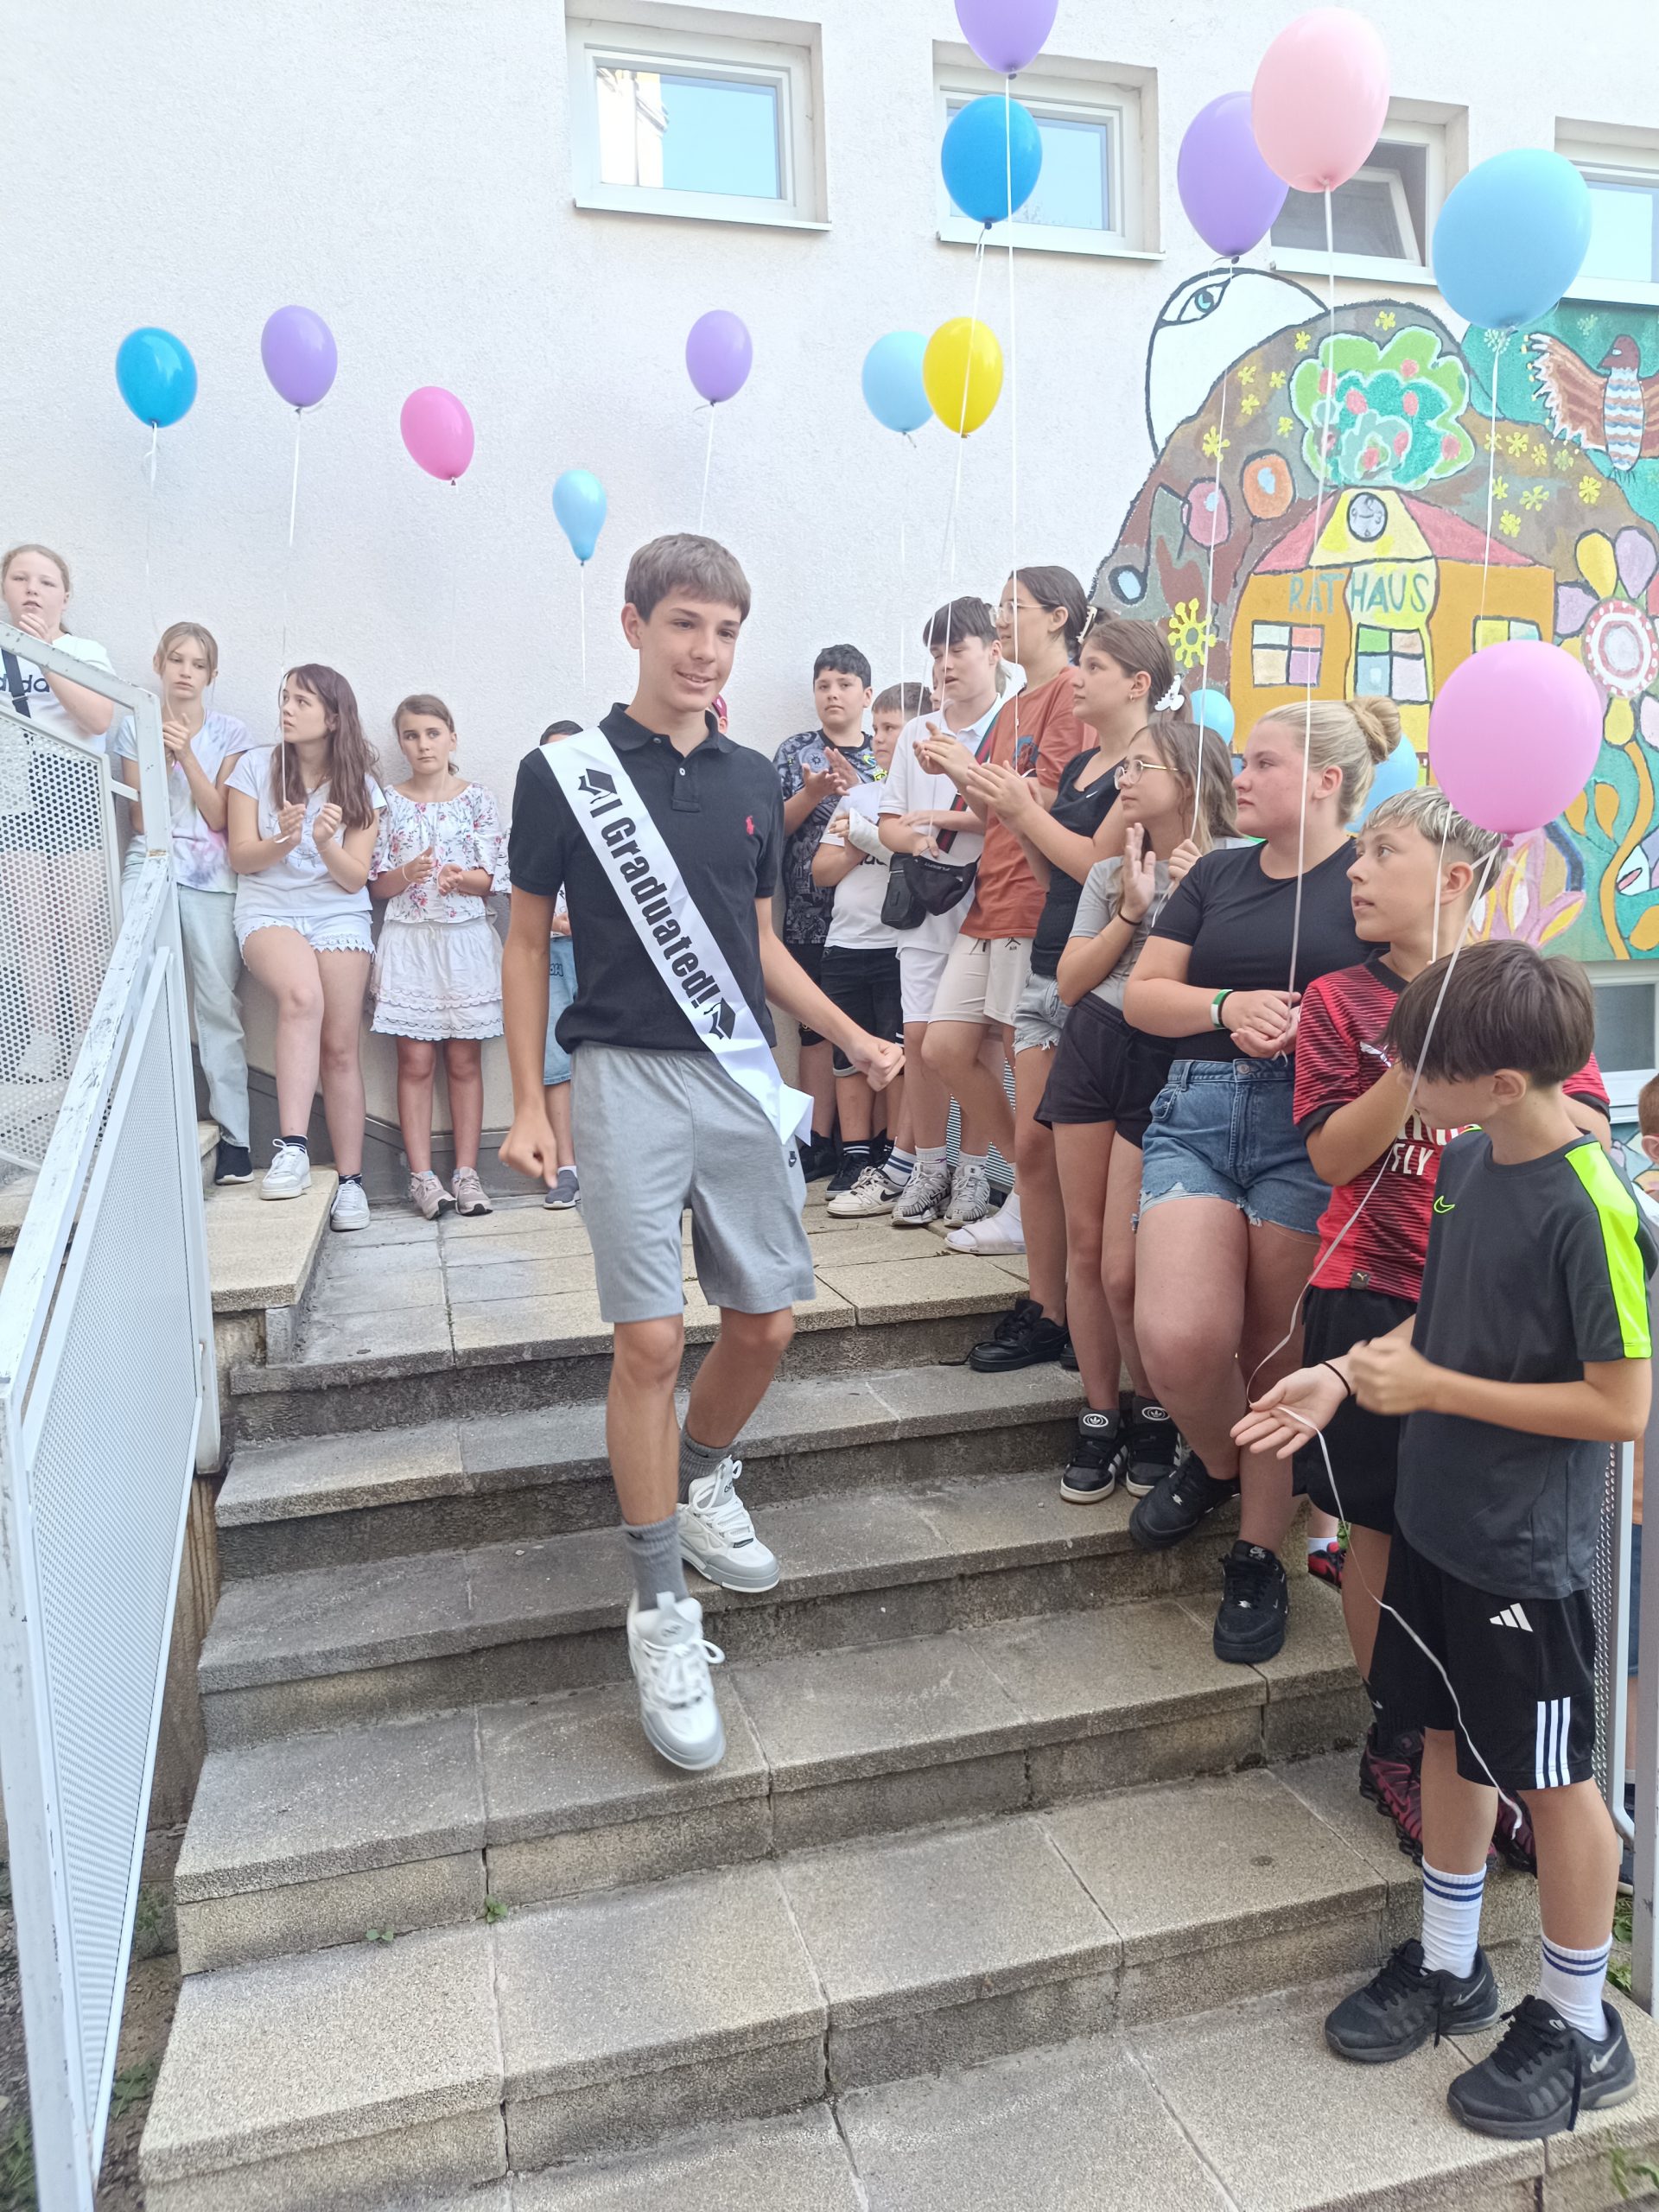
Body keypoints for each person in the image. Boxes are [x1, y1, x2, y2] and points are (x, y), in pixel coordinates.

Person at [499, 534, 903, 1772]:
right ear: (634, 625)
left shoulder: (749, 781)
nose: (706, 651)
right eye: (684, 624)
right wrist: (529, 1103)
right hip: (620, 1072)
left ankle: (699, 1477)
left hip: (736, 1076)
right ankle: (659, 1601)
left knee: (767, 1320)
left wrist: (848, 1037)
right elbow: (526, 943)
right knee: (649, 1341)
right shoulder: (563, 772)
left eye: (726, 631)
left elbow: (758, 943)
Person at [1239, 941, 1651, 2141]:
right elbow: (1441, 1323)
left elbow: (1621, 1405)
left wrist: (1434, 1392)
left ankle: (1579, 2023)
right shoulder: (1468, 1161)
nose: (1406, 1087)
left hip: (1525, 1552)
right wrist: (1338, 1378)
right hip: (1435, 1518)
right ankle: (1450, 1960)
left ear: (1504, 1081)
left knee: (1554, 1782)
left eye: (1425, 1070)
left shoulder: (1593, 1204)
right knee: (1437, 1735)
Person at [1287, 786, 1611, 1864]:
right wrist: (1414, 1055)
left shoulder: (1519, 992)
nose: (1355, 870)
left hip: (1500, 1315)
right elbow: (1332, 1155)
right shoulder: (1339, 997)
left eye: (1383, 851)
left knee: (1473, 1540)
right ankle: (1400, 1730)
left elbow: (1581, 1124)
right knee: (1380, 1524)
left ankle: (1495, 1754)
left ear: (1457, 875)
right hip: (1374, 1294)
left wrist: (1472, 1038)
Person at [1122, 697, 1398, 1663]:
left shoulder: (1368, 875)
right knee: (1176, 1340)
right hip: (1198, 1112)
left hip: (1312, 1129)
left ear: (1326, 780)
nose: (1238, 777)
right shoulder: (1218, 873)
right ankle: (1217, 1460)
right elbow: (1143, 995)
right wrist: (1226, 1005)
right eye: (1243, 760)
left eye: (1263, 763)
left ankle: (1255, 1554)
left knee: (1275, 1356)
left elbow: (1417, 987)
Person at [1046, 710, 1236, 1499]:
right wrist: (1131, 906)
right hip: (1095, 1043)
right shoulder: (1107, 872)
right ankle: (1101, 1413)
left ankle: (1156, 1407)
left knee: (1127, 1268)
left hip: (1172, 1060)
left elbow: (1235, 978)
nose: (1122, 779)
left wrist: (1195, 896)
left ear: (1188, 781)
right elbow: (1068, 983)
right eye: (1122, 767)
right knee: (1086, 1246)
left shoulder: (1233, 867)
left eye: (1139, 767)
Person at [918, 569, 1091, 1287]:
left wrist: (969, 768)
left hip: (1031, 898)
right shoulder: (1015, 702)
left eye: (1012, 608)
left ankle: (1028, 1204)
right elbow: (994, 809)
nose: (1000, 620)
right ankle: (1029, 1183)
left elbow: (1056, 799)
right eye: (999, 607)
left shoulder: (1071, 693)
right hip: (990, 897)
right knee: (945, 1046)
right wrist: (957, 771)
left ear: (1057, 617)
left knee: (1026, 1063)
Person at [226, 664, 384, 1229]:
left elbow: (354, 877)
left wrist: (322, 842)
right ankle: (291, 1150)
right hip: (268, 907)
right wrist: (283, 840)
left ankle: (351, 1184)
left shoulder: (361, 787)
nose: (286, 710)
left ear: (333, 718)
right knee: (301, 997)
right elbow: (241, 857)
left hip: (339, 912)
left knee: (340, 1046)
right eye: (285, 698)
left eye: (301, 701)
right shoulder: (253, 768)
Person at [876, 599, 1001, 1229]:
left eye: (958, 649)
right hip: (927, 905)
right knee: (922, 1040)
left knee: (981, 1040)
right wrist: (915, 839)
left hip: (991, 902)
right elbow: (889, 821)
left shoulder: (1011, 723)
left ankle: (974, 1170)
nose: (945, 664)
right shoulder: (917, 731)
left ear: (994, 651)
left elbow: (1014, 812)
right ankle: (928, 1166)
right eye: (936, 652)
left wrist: (945, 817)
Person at [114, 621, 252, 1182]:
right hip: (151, 866)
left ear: (212, 675)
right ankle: (146, 1123)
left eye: (197, 664)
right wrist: (162, 757)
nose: (186, 672)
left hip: (212, 879)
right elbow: (141, 818)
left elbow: (220, 816)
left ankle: (237, 1139)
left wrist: (187, 755)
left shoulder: (231, 732)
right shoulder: (135, 725)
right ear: (159, 663)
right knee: (138, 991)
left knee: (217, 1003)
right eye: (177, 660)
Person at [369, 694, 508, 1220]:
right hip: (410, 940)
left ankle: (467, 1173)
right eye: (411, 735)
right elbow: (376, 885)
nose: (423, 745)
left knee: (465, 1061)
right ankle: (422, 1177)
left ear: (452, 737)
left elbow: (493, 879)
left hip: (464, 941)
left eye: (432, 733)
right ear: (401, 743)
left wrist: (460, 878)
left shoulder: (478, 800)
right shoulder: (389, 802)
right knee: (415, 1061)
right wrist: (407, 873)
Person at [0, 543, 119, 1083]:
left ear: (64, 597)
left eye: (46, 582)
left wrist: (47, 652)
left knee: (79, 926)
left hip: (72, 789)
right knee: (30, 927)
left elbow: (99, 720)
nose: (32, 589)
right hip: (13, 793)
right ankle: (46, 1038)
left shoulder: (84, 651)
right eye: (20, 578)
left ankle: (89, 1042)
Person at [810, 685, 920, 1210]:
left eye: (890, 728)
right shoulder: (858, 796)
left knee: (897, 1054)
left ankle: (894, 1157)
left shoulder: (929, 798)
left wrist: (865, 835)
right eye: (876, 728)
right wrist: (860, 840)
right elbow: (821, 871)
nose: (877, 738)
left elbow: (921, 861)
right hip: (845, 942)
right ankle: (854, 1155)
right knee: (847, 1053)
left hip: (899, 945)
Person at [773, 646, 877, 1179]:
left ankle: (870, 1145)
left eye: (844, 684)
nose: (833, 694)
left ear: (866, 694)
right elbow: (770, 830)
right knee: (815, 1030)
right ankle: (816, 1141)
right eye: (823, 685)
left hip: (875, 923)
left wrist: (861, 791)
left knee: (872, 1027)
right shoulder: (795, 752)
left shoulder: (885, 753)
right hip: (809, 917)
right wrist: (812, 793)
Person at [539, 721, 584, 1211]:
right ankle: (565, 1167)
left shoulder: (610, 820)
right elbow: (516, 892)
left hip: (601, 954)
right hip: (550, 951)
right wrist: (554, 921)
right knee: (556, 1061)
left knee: (616, 1057)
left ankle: (613, 1163)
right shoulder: (532, 819)